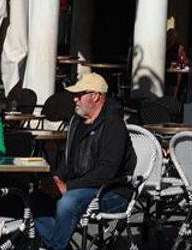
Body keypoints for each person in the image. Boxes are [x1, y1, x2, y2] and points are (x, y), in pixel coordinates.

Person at [33, 72, 131, 250]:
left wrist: (68, 187)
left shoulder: (113, 124)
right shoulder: (77, 122)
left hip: (111, 192)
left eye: (80, 95)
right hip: (81, 186)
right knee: (36, 198)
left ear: (95, 96)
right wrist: (57, 179)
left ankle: (55, 246)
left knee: (68, 202)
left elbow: (107, 172)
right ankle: (60, 245)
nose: (75, 100)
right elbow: (68, 159)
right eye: (75, 95)